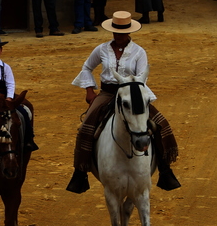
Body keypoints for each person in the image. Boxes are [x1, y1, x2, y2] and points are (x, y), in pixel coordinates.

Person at [65, 11, 179, 194]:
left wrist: (132, 94)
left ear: (129, 32)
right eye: (116, 32)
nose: (118, 35)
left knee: (160, 123)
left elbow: (141, 78)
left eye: (122, 32)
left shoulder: (139, 52)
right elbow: (87, 67)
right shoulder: (101, 49)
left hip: (131, 94)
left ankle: (165, 170)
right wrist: (89, 90)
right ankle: (80, 172)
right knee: (85, 126)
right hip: (107, 93)